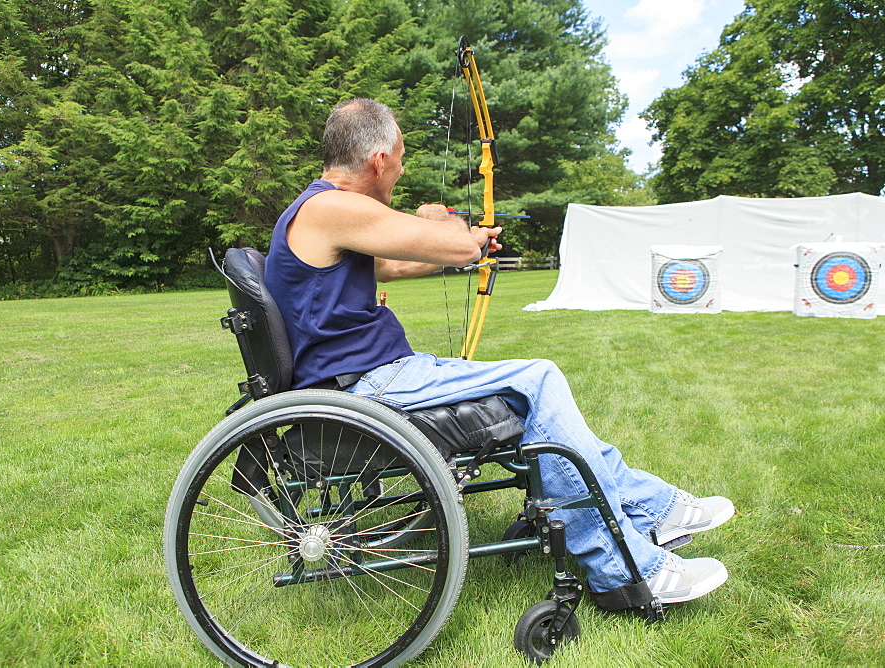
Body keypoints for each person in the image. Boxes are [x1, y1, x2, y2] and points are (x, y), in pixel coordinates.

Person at [264, 98, 734, 604]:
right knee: (539, 380)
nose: (401, 170)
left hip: (372, 377)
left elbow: (393, 266)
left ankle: (652, 509)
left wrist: (456, 239)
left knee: (537, 388)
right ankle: (622, 570)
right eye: (401, 159)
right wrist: (450, 229)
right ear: (378, 159)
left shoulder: (323, 212)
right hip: (366, 386)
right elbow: (458, 247)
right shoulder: (332, 206)